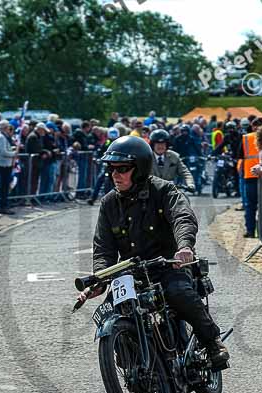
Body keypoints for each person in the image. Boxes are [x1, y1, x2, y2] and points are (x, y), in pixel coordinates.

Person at [78, 135, 229, 370]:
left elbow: (183, 217)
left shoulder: (163, 190)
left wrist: (185, 247)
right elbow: (103, 247)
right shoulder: (109, 203)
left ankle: (212, 342)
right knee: (111, 310)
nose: (114, 175)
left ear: (139, 169)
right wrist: (100, 278)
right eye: (111, 169)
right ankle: (132, 364)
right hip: (132, 273)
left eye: (122, 169)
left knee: (178, 292)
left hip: (168, 265)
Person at [0, 120, 18, 215]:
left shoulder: (0, 136)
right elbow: (3, 152)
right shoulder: (1, 137)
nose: (9, 129)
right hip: (3, 164)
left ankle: (3, 205)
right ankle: (2, 206)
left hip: (5, 164)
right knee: (3, 187)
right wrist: (13, 153)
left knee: (4, 186)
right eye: (8, 127)